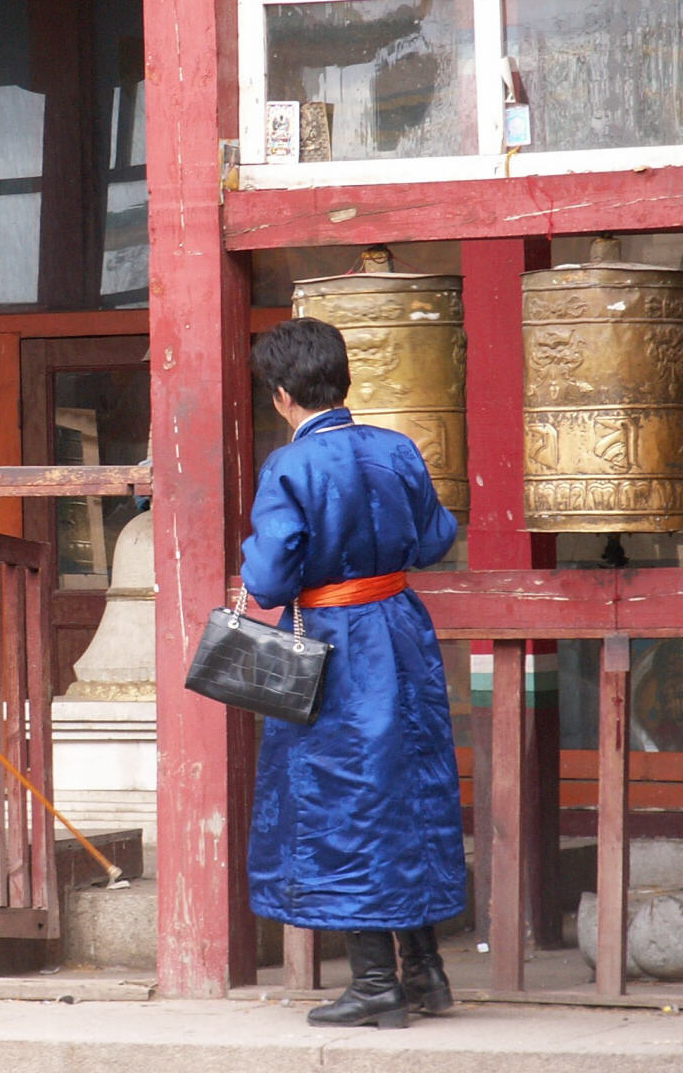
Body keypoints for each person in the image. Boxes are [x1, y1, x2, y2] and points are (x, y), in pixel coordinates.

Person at [241, 318, 466, 1030]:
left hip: (334, 641)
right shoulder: (396, 448)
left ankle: (374, 986)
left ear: (281, 396)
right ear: (344, 379)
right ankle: (425, 972)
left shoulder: (289, 467)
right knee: (407, 791)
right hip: (401, 629)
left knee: (346, 803)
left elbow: (271, 579)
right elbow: (435, 539)